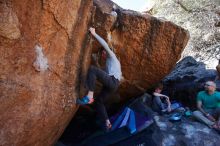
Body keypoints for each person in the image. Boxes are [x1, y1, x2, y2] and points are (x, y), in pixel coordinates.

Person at [76, 27, 122, 131]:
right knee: (99, 102)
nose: (102, 55)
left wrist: (94, 33)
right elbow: (102, 75)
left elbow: (105, 45)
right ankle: (107, 122)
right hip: (112, 86)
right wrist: (96, 61)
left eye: (102, 53)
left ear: (105, 52)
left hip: (113, 82)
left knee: (92, 69)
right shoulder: (109, 64)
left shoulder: (112, 56)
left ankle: (89, 96)